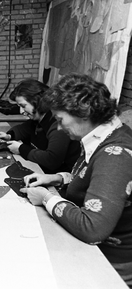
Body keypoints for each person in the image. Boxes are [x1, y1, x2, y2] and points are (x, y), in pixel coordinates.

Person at [20, 74, 132, 287]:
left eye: (61, 120)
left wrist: (46, 197)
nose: (60, 128)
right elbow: (91, 177)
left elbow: (93, 229)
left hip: (110, 262)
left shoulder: (114, 156)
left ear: (84, 112)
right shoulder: (104, 135)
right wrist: (56, 178)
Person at [0, 79, 80, 173]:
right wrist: (9, 136)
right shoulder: (38, 119)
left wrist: (21, 149)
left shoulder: (57, 124)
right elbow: (24, 128)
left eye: (23, 106)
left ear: (38, 101)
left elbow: (51, 160)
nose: (21, 112)